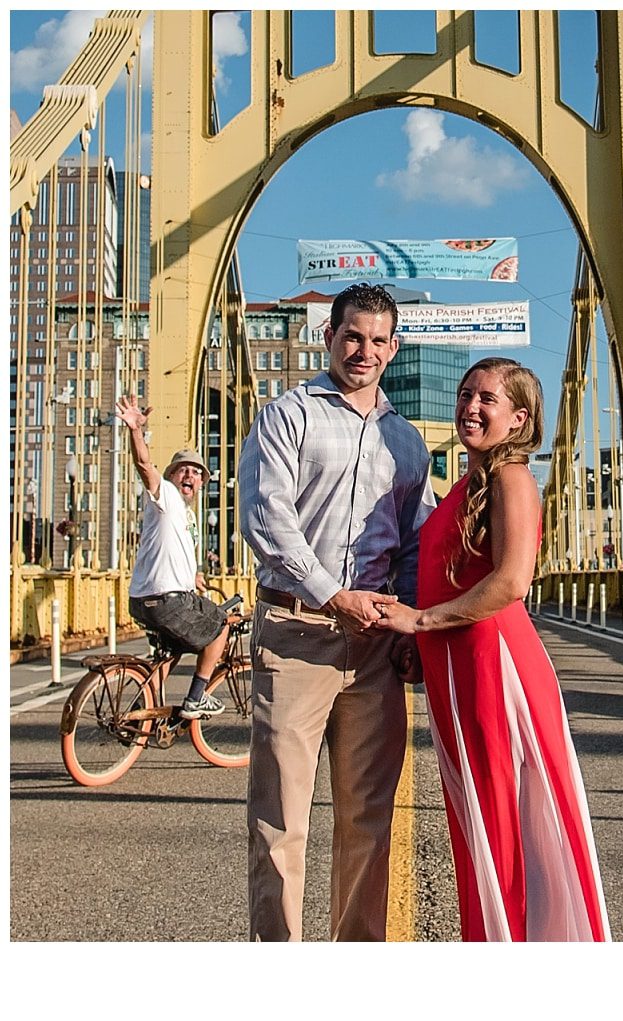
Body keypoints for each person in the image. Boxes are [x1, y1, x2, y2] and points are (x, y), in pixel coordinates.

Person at [370, 358, 608, 941]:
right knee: (479, 821)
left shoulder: (512, 480)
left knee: (505, 821)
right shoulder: (468, 485)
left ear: (519, 418)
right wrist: (418, 643)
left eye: (488, 399)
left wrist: (420, 621)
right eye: (466, 393)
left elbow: (511, 582)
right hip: (459, 667)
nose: (470, 406)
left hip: (494, 666)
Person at [239, 282, 435, 942]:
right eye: (353, 335)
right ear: (330, 336)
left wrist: (408, 626)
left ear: (394, 348)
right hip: (297, 633)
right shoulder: (286, 415)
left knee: (368, 824)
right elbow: (269, 521)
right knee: (280, 821)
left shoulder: (408, 443)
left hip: (375, 647)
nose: (365, 350)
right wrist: (333, 594)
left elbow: (413, 542)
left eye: (379, 340)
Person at [113, 395, 236, 719]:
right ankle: (196, 697)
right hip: (166, 599)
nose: (190, 476)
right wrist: (136, 430)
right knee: (220, 625)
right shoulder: (163, 495)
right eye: (184, 470)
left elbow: (176, 552)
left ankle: (141, 712)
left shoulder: (185, 516)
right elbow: (144, 466)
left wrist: (194, 577)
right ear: (171, 476)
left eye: (197, 473)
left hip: (144, 598)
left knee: (173, 648)